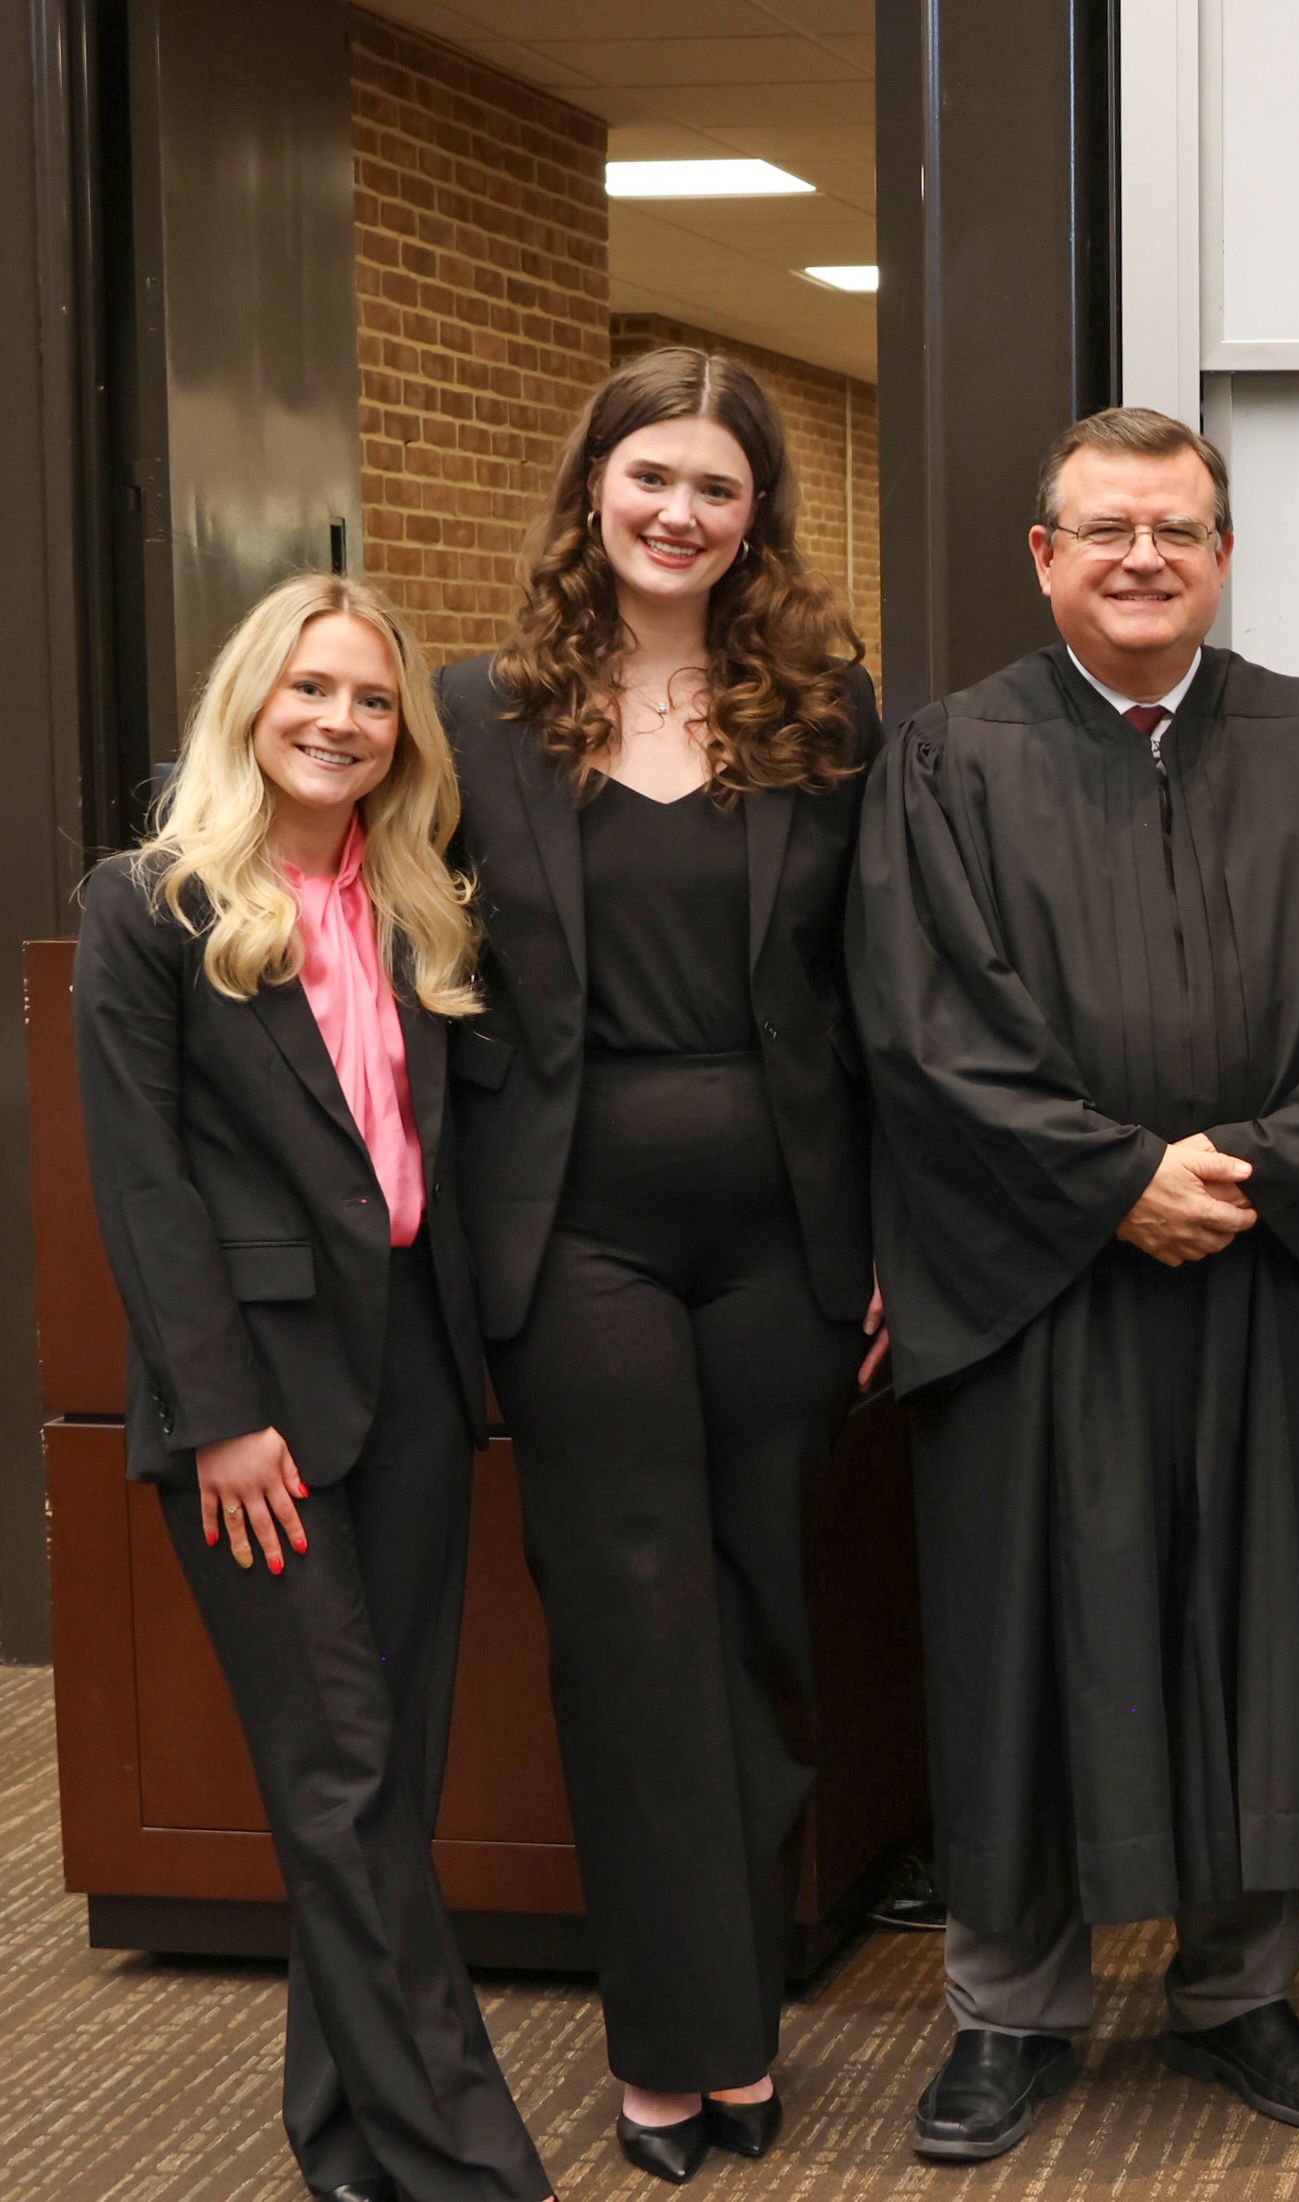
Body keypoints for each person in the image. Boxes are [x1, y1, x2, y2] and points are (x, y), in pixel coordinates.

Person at [847, 407, 1299, 2164]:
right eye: (1106, 530)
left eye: (1176, 528)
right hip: (1039, 1286)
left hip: (1260, 1263)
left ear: (1224, 552)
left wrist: (1242, 1173)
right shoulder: (948, 758)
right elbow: (922, 1021)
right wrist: (1112, 1181)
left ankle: (1242, 1990)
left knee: (1252, 1629)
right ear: (1044, 555)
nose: (1143, 557)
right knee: (1024, 1643)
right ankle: (1009, 2008)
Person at [441, 347, 882, 2185]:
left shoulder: (825, 709)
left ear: (755, 513)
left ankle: (737, 1993)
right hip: (577, 1228)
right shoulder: (477, 711)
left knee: (761, 1616)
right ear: (594, 490)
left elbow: (882, 999)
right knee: (632, 1636)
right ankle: (675, 2045)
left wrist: (892, 1247)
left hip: (786, 1228)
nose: (681, 513)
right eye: (651, 479)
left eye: (717, 486)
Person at [74, 574, 556, 2202]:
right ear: (250, 701)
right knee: (340, 1771)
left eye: (371, 699)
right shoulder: (152, 905)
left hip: (415, 1371)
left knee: (384, 1781)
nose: (341, 721)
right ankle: (469, 2166)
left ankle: (346, 2138)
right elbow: (143, 1189)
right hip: (253, 1412)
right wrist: (213, 1416)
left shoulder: (419, 896)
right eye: (311, 691)